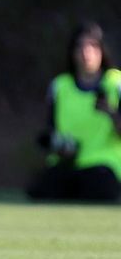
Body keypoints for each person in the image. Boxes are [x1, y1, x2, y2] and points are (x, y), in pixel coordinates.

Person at [27, 21, 121, 202]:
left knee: (99, 188)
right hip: (68, 163)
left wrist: (110, 113)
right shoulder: (60, 87)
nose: (86, 53)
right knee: (40, 189)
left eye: (92, 46)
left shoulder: (115, 83)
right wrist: (60, 147)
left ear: (102, 50)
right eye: (80, 47)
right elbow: (52, 129)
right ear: (72, 52)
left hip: (103, 164)